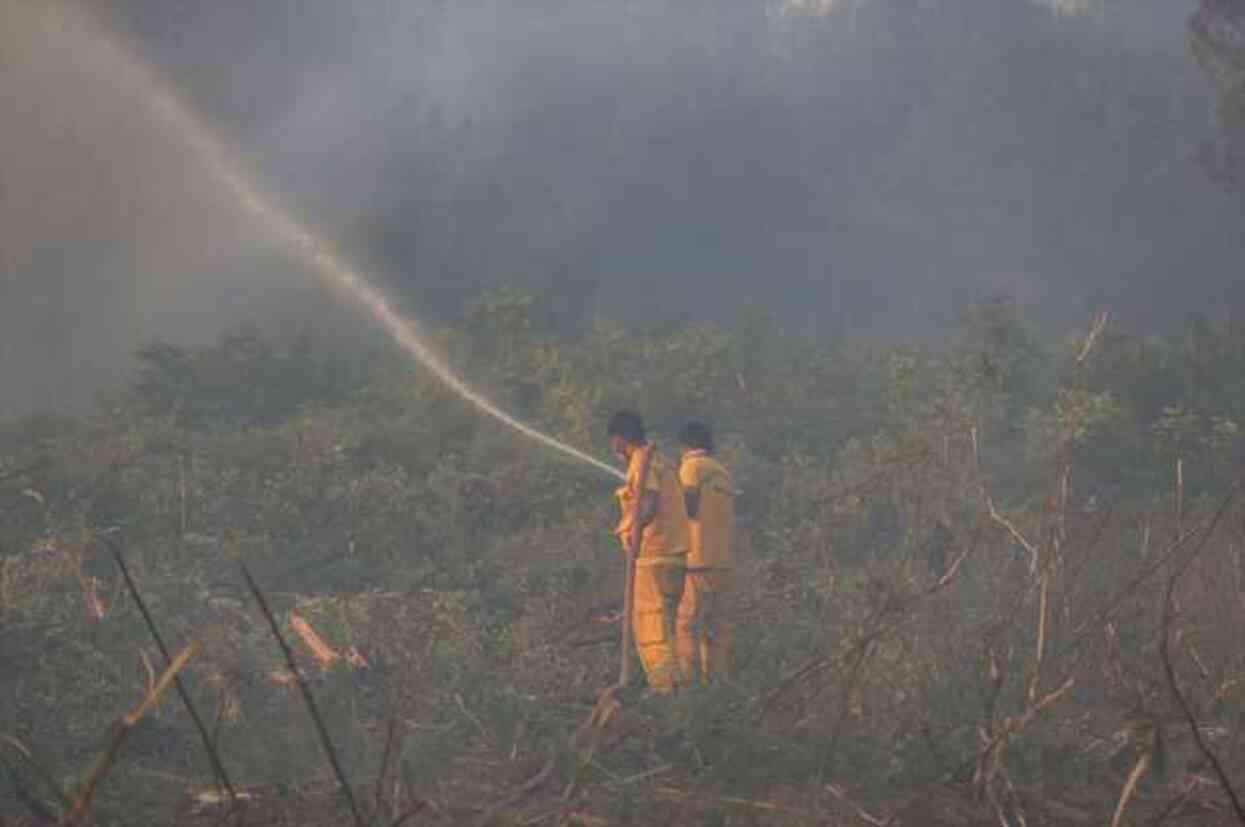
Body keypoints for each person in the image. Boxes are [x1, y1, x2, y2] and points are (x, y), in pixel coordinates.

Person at [608, 410, 690, 693]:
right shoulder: (663, 461)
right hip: (674, 559)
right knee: (668, 630)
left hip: (654, 558)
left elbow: (649, 503)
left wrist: (633, 529)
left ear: (619, 439)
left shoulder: (642, 460)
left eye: (613, 441)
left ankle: (667, 692)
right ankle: (680, 692)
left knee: (652, 630)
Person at [675, 421, 735, 684]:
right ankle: (717, 686)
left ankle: (690, 688)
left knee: (687, 625)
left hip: (697, 561)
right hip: (722, 562)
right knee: (717, 629)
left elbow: (687, 505)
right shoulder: (722, 472)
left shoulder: (691, 467)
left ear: (685, 445)